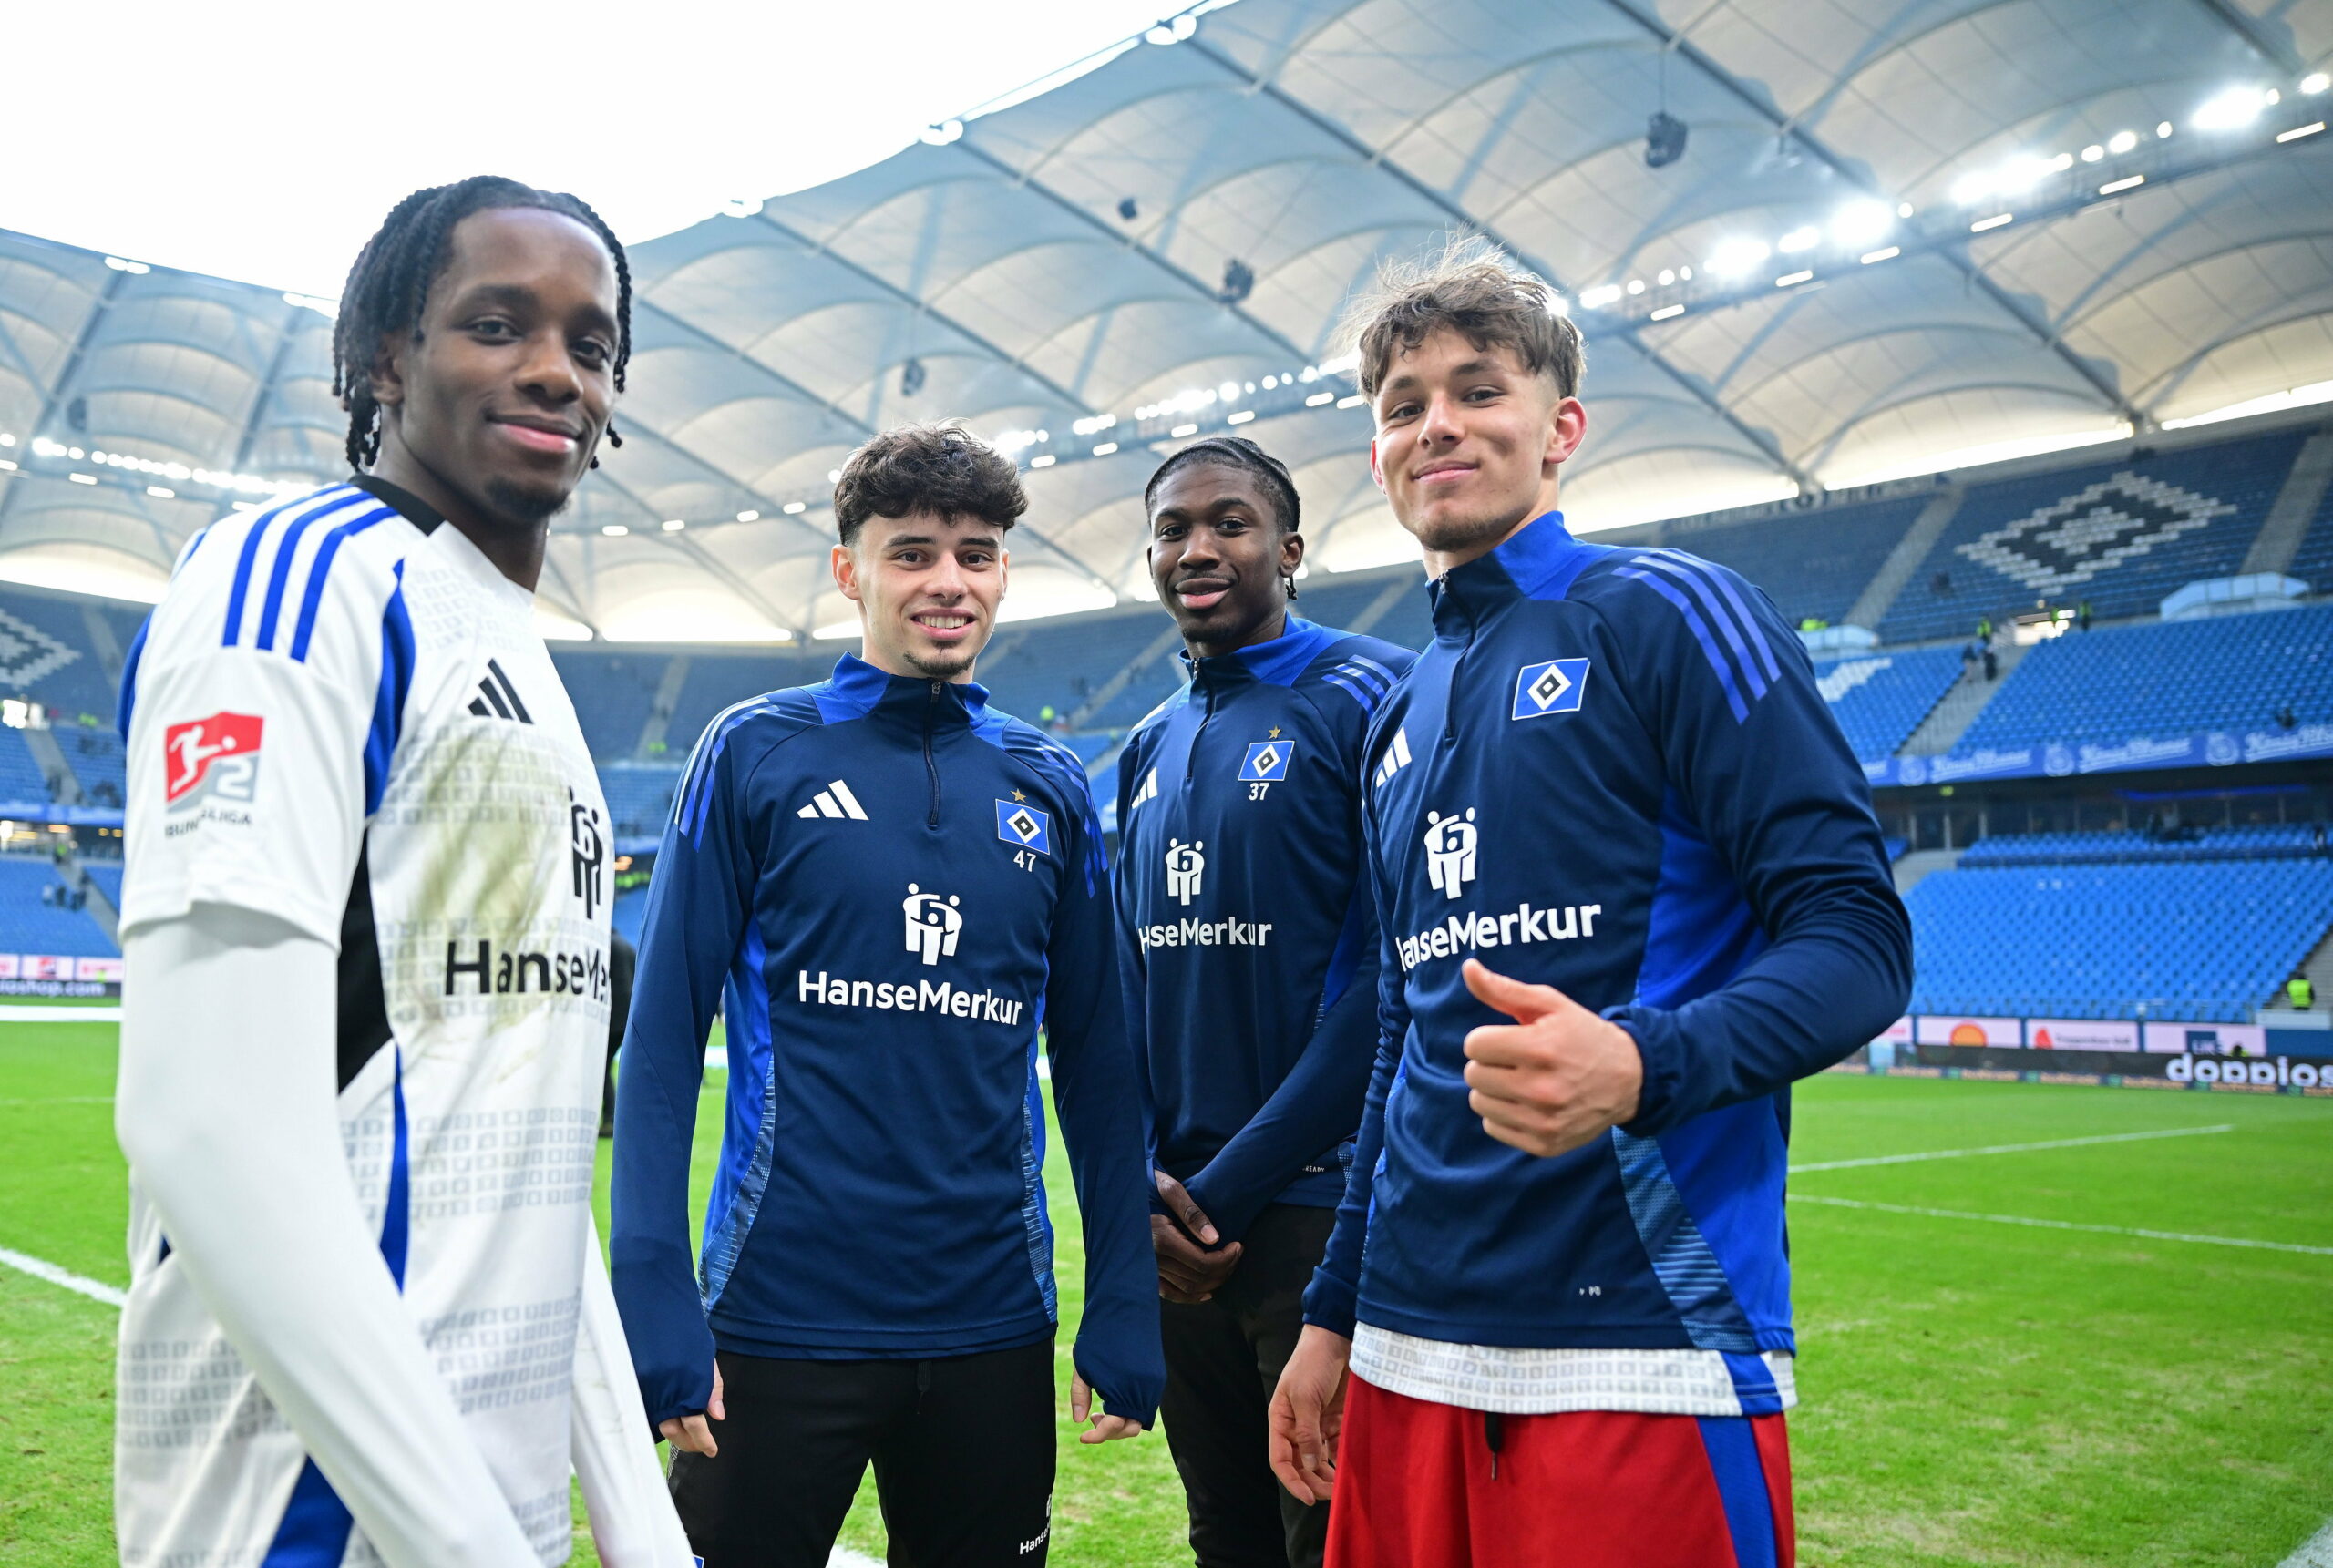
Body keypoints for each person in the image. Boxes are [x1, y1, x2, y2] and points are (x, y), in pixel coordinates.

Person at [1266, 242, 1912, 1568]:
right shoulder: (1395, 715)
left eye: (1476, 389)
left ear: (1560, 428)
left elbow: (1858, 934)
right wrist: (1335, 1312)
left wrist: (1640, 1063)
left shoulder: (1667, 612)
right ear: (1379, 455)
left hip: (1638, 1350)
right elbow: (1405, 1034)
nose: (1435, 422)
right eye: (1401, 404)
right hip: (1403, 1348)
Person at [113, 177, 690, 1565]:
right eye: (496, 323)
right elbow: (204, 1128)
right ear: (385, 358)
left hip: (485, 1520)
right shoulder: (296, 587)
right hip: (294, 1525)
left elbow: (538, 1170)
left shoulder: (525, 673)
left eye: (592, 345)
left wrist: (638, 1526)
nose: (556, 368)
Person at [611, 421, 1163, 1568]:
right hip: (778, 1312)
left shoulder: (1049, 781)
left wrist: (1122, 1291)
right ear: (848, 569)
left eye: (976, 552)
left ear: (1005, 571)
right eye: (911, 551)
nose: (948, 582)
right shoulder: (754, 750)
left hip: (993, 1323)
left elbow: (1103, 1068)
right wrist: (652, 1282)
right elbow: (661, 1040)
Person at [1115, 436, 1414, 1568]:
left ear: (1288, 550)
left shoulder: (1372, 693)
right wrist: (1141, 1182)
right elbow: (1129, 992)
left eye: (1229, 523)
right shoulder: (1148, 743)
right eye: (1173, 528)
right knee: (1223, 1536)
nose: (1198, 547)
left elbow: (1389, 982)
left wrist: (1209, 1197)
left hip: (1316, 1214)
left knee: (1332, 1536)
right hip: (1175, 1231)